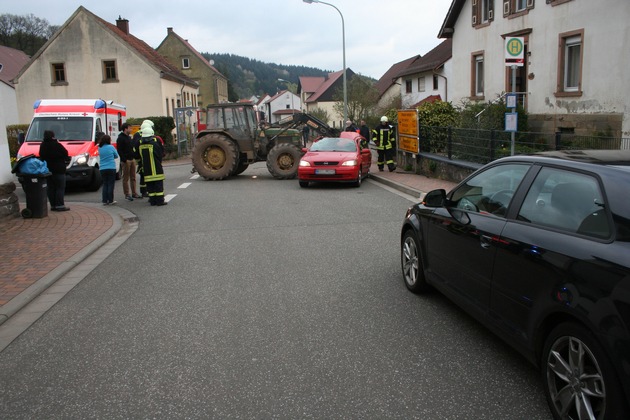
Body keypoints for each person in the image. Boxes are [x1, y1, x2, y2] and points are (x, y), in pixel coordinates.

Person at [39, 130, 70, 211]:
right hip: (59, 169)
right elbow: (65, 153)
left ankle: (53, 205)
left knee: (51, 188)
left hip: (48, 170)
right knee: (60, 187)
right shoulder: (57, 145)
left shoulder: (42, 145)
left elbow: (41, 155)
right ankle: (60, 205)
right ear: (53, 136)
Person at [138, 126, 167, 206]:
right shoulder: (154, 144)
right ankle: (160, 201)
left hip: (147, 171)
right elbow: (160, 155)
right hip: (156, 169)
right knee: (158, 187)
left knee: (150, 187)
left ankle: (152, 201)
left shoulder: (141, 146)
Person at [117, 123, 142, 201]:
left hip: (132, 159)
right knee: (126, 178)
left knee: (133, 177)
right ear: (125, 129)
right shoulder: (120, 138)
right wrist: (124, 159)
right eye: (130, 128)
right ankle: (127, 194)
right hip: (126, 161)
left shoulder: (129, 137)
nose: (131, 130)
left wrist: (134, 156)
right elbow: (119, 150)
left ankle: (134, 193)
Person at [98, 134, 119, 205]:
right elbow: (116, 155)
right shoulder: (111, 147)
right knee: (110, 184)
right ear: (108, 140)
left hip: (102, 168)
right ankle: (110, 200)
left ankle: (104, 200)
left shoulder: (99, 148)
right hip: (111, 167)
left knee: (105, 184)